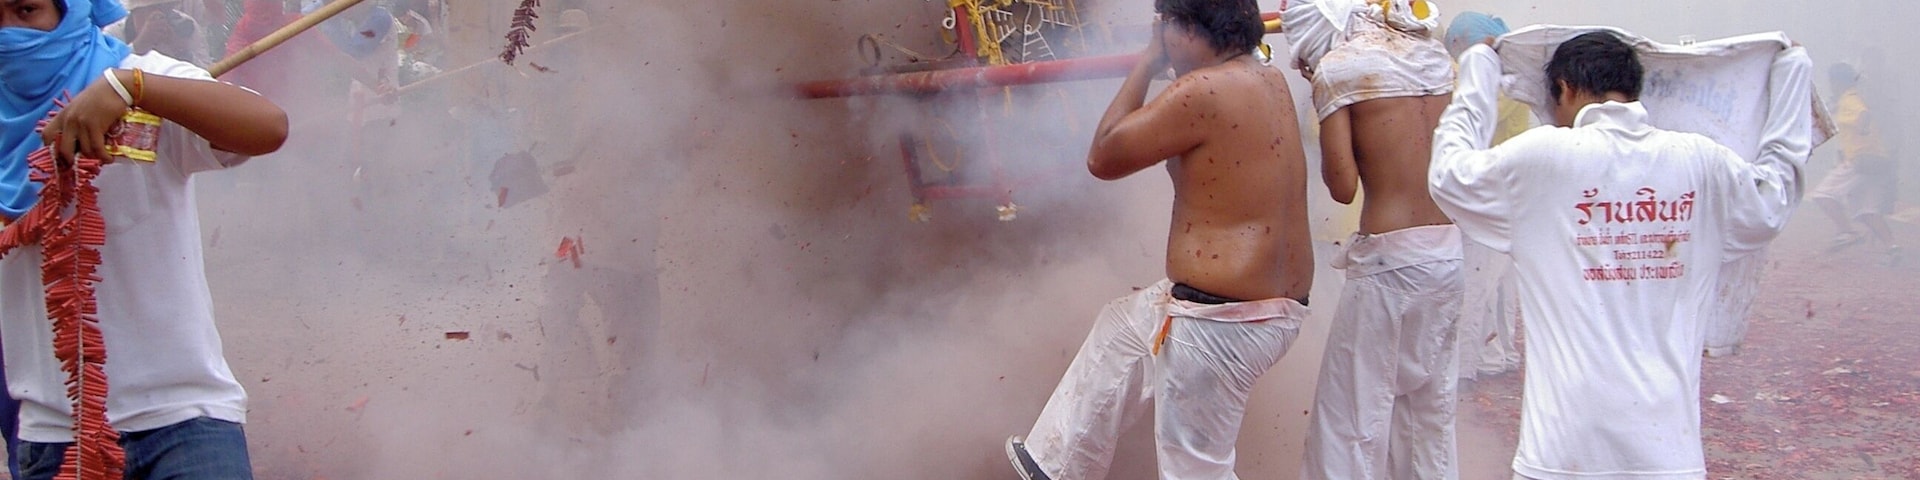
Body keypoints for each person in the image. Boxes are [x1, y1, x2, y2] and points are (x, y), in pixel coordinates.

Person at [1430, 32, 1810, 479]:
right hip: (1669, 456)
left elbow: (1448, 172)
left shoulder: (1542, 159)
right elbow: (1776, 191)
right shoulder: (1703, 163)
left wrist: (1479, 68)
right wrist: (1792, 78)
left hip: (1561, 454)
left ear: (1566, 89)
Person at [1004, 0, 1314, 478]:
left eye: (1166, 27)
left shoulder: (1204, 89)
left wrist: (1147, 61)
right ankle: (1056, 465)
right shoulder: (1266, 78)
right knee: (1123, 326)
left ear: (1188, 30)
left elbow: (1103, 156)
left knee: (1195, 470)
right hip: (1268, 308)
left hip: (1221, 321)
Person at [0, 0, 289, 478]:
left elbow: (268, 127)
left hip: (185, 421)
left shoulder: (140, 77)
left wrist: (134, 90)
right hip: (55, 436)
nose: (9, 34)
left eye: (26, 11)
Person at [1283, 1, 1463, 478]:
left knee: (1350, 414)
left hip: (1390, 260)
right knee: (1428, 411)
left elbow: (1342, 190)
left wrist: (1325, 102)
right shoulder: (1439, 61)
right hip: (1449, 251)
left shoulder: (1339, 69)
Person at [1443, 10, 1524, 378]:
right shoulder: (1514, 76)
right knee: (1499, 288)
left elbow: (1469, 112)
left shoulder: (1500, 82)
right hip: (1509, 199)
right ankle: (1497, 358)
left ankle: (1465, 369)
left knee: (1476, 288)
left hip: (1491, 198)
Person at [1809, 61, 1898, 264]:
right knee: (1867, 211)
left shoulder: (1849, 99)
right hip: (1878, 161)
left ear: (1837, 82)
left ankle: (1847, 232)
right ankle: (1893, 248)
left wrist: (1863, 126)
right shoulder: (1848, 99)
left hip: (1861, 159)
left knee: (1823, 194)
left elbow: (1862, 114)